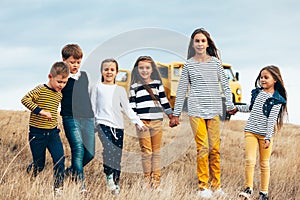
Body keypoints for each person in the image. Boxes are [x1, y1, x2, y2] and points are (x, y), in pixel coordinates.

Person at [169, 28, 235, 198]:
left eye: (202, 41)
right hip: (196, 111)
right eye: (197, 41)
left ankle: (216, 186)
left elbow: (226, 86)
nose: (200, 44)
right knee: (203, 148)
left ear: (207, 43)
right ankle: (203, 187)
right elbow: (182, 88)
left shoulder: (216, 63)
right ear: (193, 44)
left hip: (214, 111)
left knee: (215, 149)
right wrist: (176, 114)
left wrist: (229, 104)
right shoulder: (189, 64)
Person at [229, 65, 287, 200]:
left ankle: (263, 193)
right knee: (249, 160)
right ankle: (248, 189)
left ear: (275, 80)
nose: (262, 80)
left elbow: (272, 119)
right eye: (261, 77)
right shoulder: (257, 93)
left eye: (266, 77)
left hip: (265, 136)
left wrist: (267, 137)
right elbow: (250, 107)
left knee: (264, 163)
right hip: (251, 131)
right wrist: (236, 108)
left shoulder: (277, 100)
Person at [90, 58, 147, 195]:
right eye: (106, 69)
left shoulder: (120, 89)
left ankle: (116, 182)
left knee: (117, 154)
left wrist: (138, 122)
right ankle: (108, 175)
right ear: (102, 71)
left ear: (116, 72)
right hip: (103, 124)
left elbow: (127, 108)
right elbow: (92, 107)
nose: (109, 72)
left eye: (112, 70)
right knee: (109, 149)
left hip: (118, 127)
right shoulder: (97, 87)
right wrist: (93, 124)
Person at [21, 61, 69, 196]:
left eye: (64, 82)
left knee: (59, 159)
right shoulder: (40, 89)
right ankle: (30, 173)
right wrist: (40, 111)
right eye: (59, 82)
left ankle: (58, 188)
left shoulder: (59, 94)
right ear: (50, 76)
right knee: (39, 164)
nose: (61, 85)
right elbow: (25, 99)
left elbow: (53, 110)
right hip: (37, 133)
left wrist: (55, 122)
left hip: (53, 133)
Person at [129, 56, 173, 189]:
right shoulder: (134, 87)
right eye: (141, 68)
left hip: (157, 122)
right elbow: (132, 107)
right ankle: (147, 181)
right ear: (137, 70)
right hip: (142, 123)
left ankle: (156, 181)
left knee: (156, 152)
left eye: (147, 67)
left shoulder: (157, 84)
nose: (144, 70)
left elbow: (164, 102)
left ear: (152, 69)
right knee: (146, 152)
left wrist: (171, 116)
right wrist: (137, 122)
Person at [60, 44, 95, 193]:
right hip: (70, 118)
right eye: (72, 62)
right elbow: (54, 98)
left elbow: (91, 97)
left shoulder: (85, 76)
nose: (75, 65)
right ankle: (81, 187)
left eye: (78, 62)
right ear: (64, 60)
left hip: (87, 117)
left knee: (90, 153)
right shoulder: (61, 78)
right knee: (78, 150)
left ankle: (70, 171)